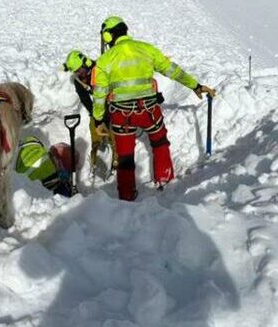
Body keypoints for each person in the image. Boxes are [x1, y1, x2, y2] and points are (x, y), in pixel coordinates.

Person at [91, 16, 216, 201]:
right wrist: (196, 86)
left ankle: (126, 196)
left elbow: (100, 94)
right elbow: (173, 70)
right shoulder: (146, 49)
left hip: (122, 116)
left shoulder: (104, 61)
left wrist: (99, 119)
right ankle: (164, 180)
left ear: (108, 37)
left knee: (125, 157)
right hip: (149, 112)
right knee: (160, 143)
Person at [63, 50, 118, 180]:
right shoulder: (79, 81)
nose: (78, 73)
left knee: (114, 128)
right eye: (75, 71)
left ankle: (116, 158)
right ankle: (96, 152)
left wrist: (107, 113)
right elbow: (86, 100)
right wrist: (96, 116)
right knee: (94, 124)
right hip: (98, 106)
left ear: (85, 63)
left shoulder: (100, 70)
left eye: (79, 70)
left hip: (114, 101)